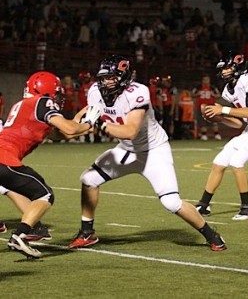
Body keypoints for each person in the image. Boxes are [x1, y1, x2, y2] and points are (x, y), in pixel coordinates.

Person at [68, 55, 226, 251]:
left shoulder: (137, 92)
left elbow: (130, 131)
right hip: (127, 150)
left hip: (153, 152)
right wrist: (72, 126)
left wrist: (98, 123)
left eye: (112, 77)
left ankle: (212, 235)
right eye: (104, 77)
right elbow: (87, 113)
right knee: (89, 179)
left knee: (171, 202)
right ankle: (87, 233)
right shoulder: (95, 91)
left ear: (124, 77)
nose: (106, 82)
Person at [0, 71, 101, 258]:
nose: (57, 98)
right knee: (44, 194)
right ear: (46, 90)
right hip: (4, 159)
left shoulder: (25, 105)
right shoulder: (41, 102)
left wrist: (82, 120)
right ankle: (20, 235)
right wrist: (87, 124)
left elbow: (61, 134)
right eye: (55, 93)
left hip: (3, 158)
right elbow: (70, 128)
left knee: (37, 191)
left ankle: (21, 234)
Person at [195, 53, 248, 219]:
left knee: (236, 161)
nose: (224, 71)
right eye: (223, 68)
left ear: (238, 66)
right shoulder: (228, 90)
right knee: (219, 162)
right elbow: (238, 123)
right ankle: (203, 205)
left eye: (227, 67)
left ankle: (247, 208)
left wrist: (223, 110)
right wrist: (217, 117)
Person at [192, 74, 221, 141]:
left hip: (211, 106)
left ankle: (216, 134)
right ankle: (204, 134)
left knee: (214, 121)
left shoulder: (212, 87)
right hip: (201, 107)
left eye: (207, 79)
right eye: (204, 80)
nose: (205, 81)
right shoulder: (198, 87)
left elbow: (218, 95)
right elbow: (192, 94)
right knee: (202, 122)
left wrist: (213, 95)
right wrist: (197, 94)